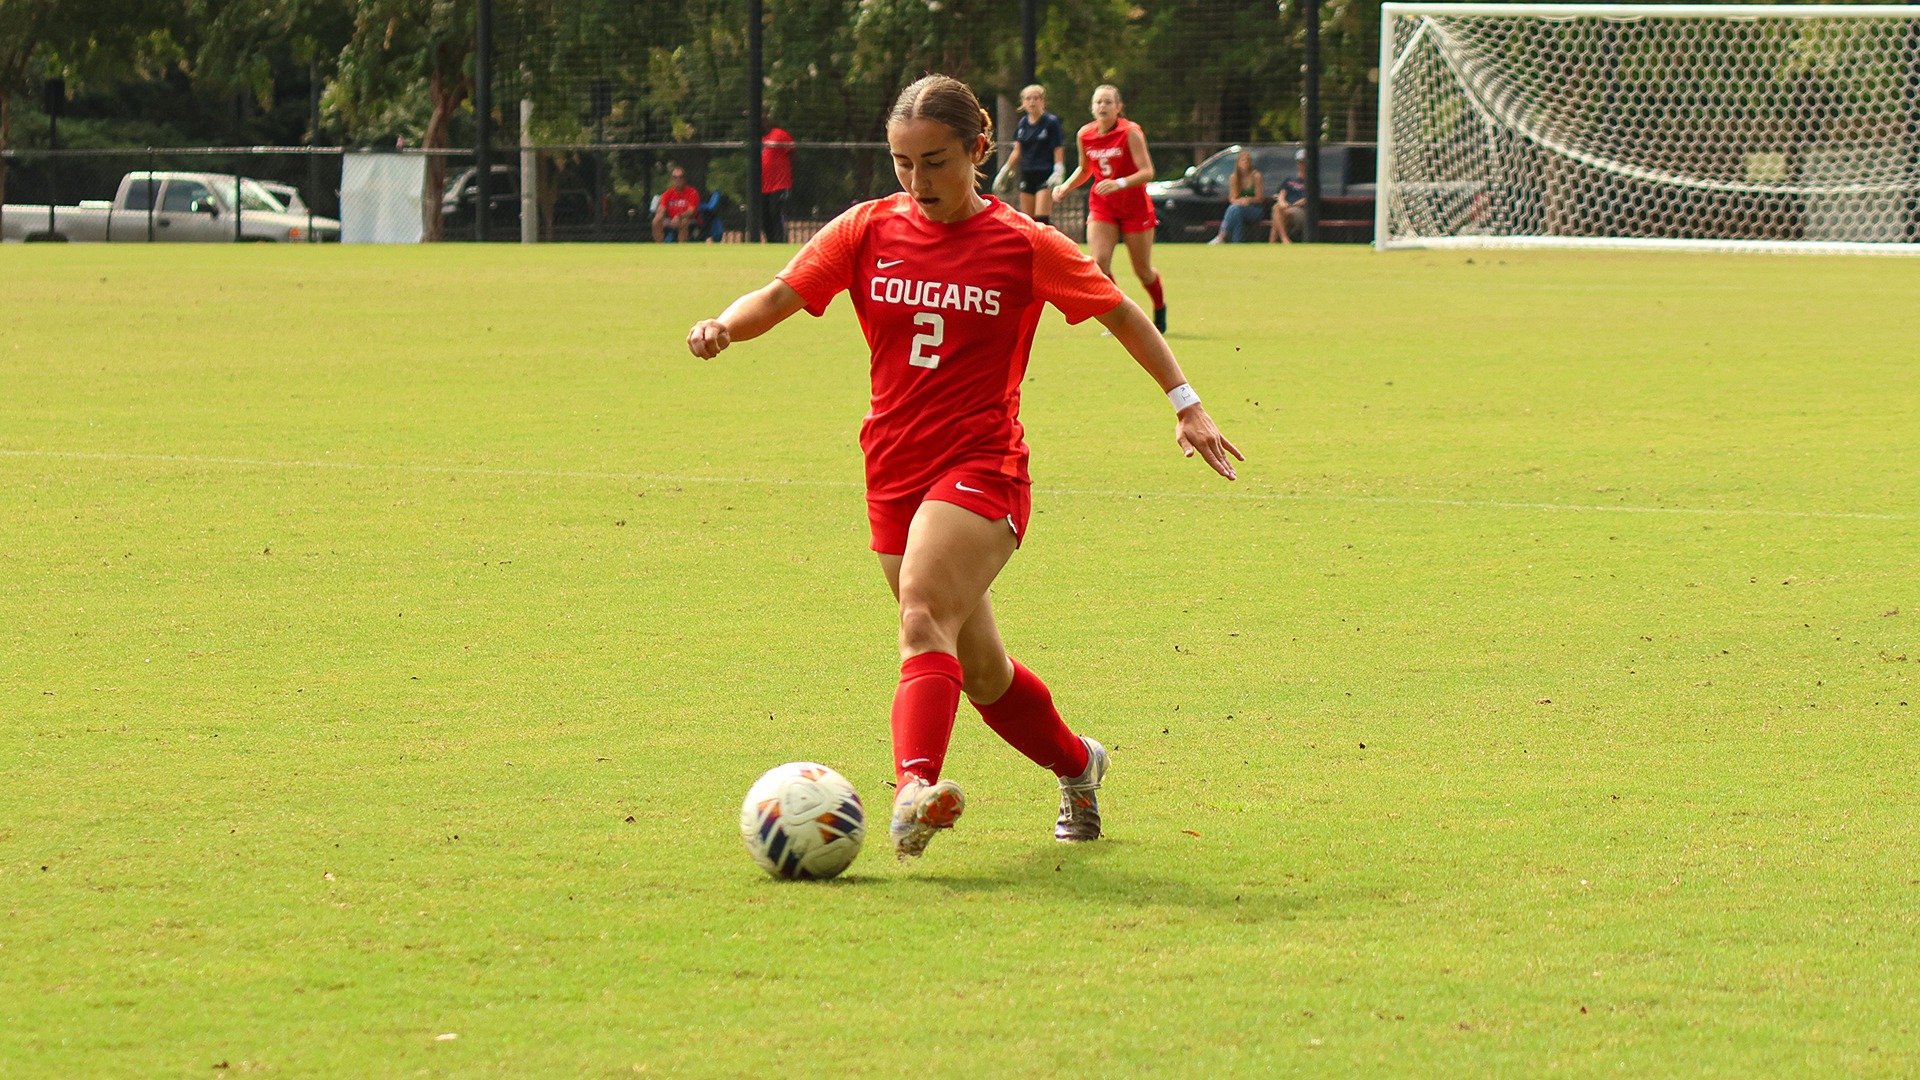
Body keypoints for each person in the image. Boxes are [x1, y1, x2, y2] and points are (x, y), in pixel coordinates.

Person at [686, 74, 1241, 862]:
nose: (917, 181)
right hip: (892, 469)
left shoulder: (1023, 243)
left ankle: (913, 790)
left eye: (935, 162)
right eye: (902, 163)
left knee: (920, 615)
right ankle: (1079, 766)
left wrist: (1186, 402)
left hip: (983, 466)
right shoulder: (865, 229)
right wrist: (724, 326)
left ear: (978, 149)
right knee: (979, 671)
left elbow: (1118, 311)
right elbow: (779, 295)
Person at [1053, 84, 1169, 333]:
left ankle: (1160, 309)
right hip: (1103, 206)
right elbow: (1085, 169)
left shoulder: (1130, 132)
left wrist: (1119, 183)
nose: (1102, 106)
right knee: (1099, 264)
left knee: (1143, 271)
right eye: (1098, 102)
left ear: (1119, 107)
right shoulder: (1085, 134)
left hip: (1135, 208)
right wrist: (1065, 187)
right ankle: (1119, 316)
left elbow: (1147, 171)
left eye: (1107, 102)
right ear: (1092, 107)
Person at [997, 84, 1065, 226]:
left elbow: (1058, 148)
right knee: (1028, 221)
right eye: (1028, 99)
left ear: (1043, 101)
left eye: (1036, 98)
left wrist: (1059, 169)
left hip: (1045, 174)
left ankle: (1047, 241)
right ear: (1023, 102)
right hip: (1027, 174)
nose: (1032, 102)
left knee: (1041, 220)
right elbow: (1017, 150)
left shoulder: (1050, 122)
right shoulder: (1022, 124)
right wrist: (1005, 170)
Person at [1210, 150, 1265, 244]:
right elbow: (1232, 199)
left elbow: (1260, 198)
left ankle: (1222, 235)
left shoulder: (1256, 176)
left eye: (1247, 160)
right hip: (1239, 208)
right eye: (1243, 160)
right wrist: (1240, 202)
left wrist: (1248, 200)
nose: (1245, 162)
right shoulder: (1234, 178)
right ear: (1238, 163)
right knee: (1236, 211)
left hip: (1254, 208)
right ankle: (1236, 242)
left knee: (1233, 209)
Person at [760, 114, 794, 243]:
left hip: (780, 184)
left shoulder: (779, 134)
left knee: (776, 213)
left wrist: (789, 176)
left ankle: (781, 242)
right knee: (765, 216)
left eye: (763, 121)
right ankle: (771, 242)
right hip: (763, 186)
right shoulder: (758, 139)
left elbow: (793, 154)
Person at [652, 166, 701, 243]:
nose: (678, 180)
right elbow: (662, 208)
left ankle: (682, 246)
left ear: (684, 179)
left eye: (680, 177)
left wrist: (679, 216)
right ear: (672, 180)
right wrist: (660, 214)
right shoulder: (667, 193)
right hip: (671, 219)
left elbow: (691, 211)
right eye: (675, 177)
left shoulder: (692, 192)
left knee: (684, 221)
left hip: (688, 219)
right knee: (656, 220)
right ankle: (659, 246)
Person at [1270, 149, 1308, 244]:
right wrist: (1283, 202)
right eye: (1300, 162)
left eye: (1305, 162)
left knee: (1277, 214)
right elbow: (1281, 194)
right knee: (1277, 208)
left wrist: (1295, 205)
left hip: (1300, 210)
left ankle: (1274, 240)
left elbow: (1308, 199)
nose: (1302, 165)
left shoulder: (1312, 181)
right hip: (1285, 208)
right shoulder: (1289, 179)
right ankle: (1283, 239)